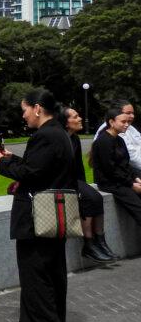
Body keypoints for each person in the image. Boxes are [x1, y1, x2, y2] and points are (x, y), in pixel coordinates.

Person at [0, 88, 76, 322]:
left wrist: (4, 163)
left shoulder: (45, 135)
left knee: (36, 272)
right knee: (52, 271)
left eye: (25, 110)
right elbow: (41, 167)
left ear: (37, 108)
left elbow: (32, 173)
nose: (24, 116)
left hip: (37, 217)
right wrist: (15, 160)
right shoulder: (59, 133)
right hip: (54, 213)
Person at [60, 107, 117, 262]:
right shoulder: (59, 140)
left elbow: (78, 167)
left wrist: (83, 186)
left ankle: (100, 241)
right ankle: (89, 244)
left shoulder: (74, 139)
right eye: (75, 116)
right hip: (61, 182)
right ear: (66, 122)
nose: (80, 119)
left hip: (74, 180)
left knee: (96, 197)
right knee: (90, 198)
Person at [90, 105, 141, 228]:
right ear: (111, 122)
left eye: (127, 122)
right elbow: (110, 170)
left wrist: (136, 179)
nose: (127, 125)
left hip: (121, 180)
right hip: (110, 183)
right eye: (123, 122)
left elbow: (125, 165)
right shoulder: (103, 142)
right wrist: (131, 184)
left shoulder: (119, 140)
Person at [95, 101, 141, 175]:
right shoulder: (110, 134)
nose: (132, 116)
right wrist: (132, 183)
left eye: (133, 113)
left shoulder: (127, 128)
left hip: (127, 173)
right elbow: (132, 158)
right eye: (128, 113)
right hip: (117, 178)